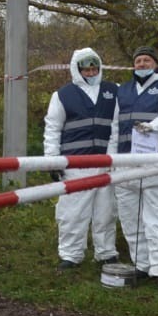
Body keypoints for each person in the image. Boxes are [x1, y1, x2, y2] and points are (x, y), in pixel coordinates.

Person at [113, 46, 158, 289]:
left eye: (147, 60)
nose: (142, 64)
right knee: (130, 217)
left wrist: (152, 127)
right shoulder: (122, 90)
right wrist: (109, 160)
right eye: (138, 60)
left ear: (156, 64)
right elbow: (114, 128)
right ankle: (142, 265)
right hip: (125, 163)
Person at [43, 47, 120, 270]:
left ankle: (106, 252)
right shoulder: (62, 95)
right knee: (72, 212)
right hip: (74, 164)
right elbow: (52, 128)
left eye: (94, 66)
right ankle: (70, 255)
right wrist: (52, 160)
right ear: (77, 69)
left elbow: (116, 127)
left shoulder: (113, 91)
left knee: (106, 211)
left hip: (105, 163)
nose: (90, 71)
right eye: (85, 68)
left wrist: (113, 159)